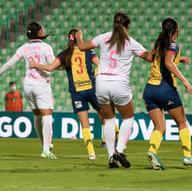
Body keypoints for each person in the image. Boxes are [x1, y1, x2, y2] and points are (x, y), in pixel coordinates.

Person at [75, 11, 153, 168]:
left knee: (109, 121)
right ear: (128, 26)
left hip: (101, 82)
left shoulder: (104, 37)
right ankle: (119, 150)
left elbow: (82, 47)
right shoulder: (131, 42)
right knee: (128, 118)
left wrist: (78, 36)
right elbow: (150, 58)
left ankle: (111, 157)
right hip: (119, 84)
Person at [30, 28, 106, 160]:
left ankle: (91, 153)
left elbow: (50, 68)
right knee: (105, 116)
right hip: (92, 89)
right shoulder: (88, 51)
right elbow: (100, 64)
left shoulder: (65, 54)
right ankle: (112, 143)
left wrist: (35, 64)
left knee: (85, 124)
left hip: (77, 93)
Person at [143, 17, 192, 170]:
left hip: (149, 89)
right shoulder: (173, 44)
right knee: (182, 122)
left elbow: (158, 59)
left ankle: (152, 150)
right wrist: (185, 81)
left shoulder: (159, 43)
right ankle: (188, 156)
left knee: (160, 127)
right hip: (165, 89)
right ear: (177, 30)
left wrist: (178, 59)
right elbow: (168, 62)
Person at [0, 21, 56, 159]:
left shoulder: (23, 48)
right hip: (41, 84)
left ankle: (44, 146)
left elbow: (9, 64)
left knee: (37, 116)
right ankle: (46, 150)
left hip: (28, 85)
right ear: (40, 32)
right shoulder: (46, 48)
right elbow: (53, 64)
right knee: (47, 117)